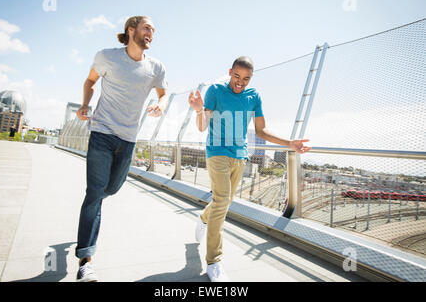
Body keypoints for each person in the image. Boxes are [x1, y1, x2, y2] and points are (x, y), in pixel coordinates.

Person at [188, 56, 311, 282]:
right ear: (230, 72)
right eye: (236, 77)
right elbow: (202, 126)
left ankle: (204, 218)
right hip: (217, 152)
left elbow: (261, 132)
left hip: (240, 156)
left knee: (222, 202)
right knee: (223, 201)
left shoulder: (253, 96)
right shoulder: (215, 90)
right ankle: (214, 262)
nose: (240, 82)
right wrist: (198, 111)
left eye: (245, 79)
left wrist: (289, 144)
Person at [74, 16, 169, 282]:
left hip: (128, 140)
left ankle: (90, 212)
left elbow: (162, 94)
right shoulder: (107, 57)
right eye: (147, 28)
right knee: (94, 193)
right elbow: (90, 81)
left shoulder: (156, 67)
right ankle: (86, 260)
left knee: (111, 189)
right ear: (131, 30)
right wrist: (84, 104)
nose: (151, 32)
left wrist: (160, 105)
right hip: (102, 133)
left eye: (154, 30)